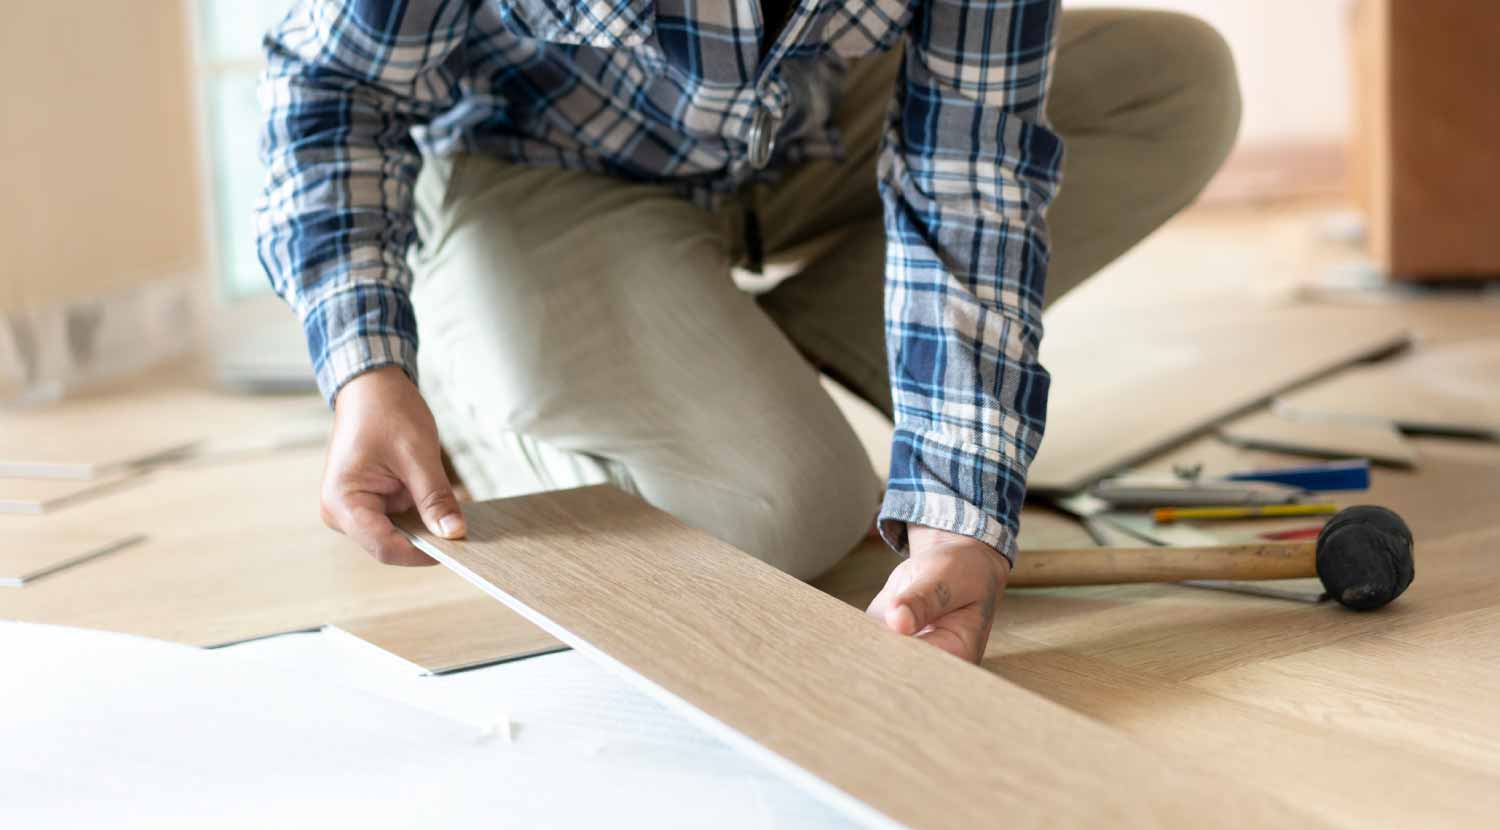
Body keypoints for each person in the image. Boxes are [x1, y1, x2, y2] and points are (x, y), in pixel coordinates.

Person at [257, 0, 1238, 664]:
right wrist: (371, 372)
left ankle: (745, 358)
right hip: (526, 159)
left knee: (1174, 81)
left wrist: (959, 514)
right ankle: (464, 365)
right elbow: (334, 89)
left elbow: (971, 175)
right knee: (778, 514)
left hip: (790, 132)